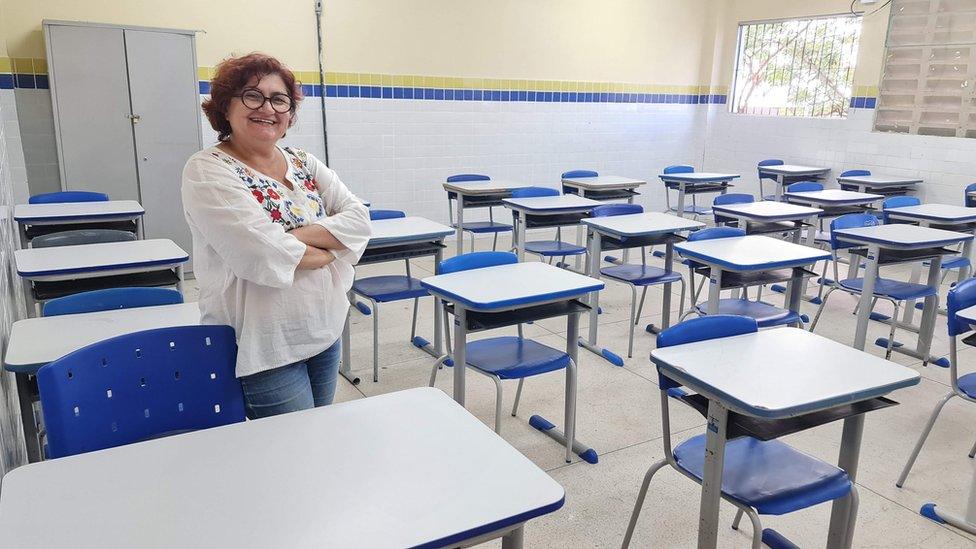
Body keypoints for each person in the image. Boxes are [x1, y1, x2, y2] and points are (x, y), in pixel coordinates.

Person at [182, 52, 370, 419]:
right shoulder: (206, 169)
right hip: (264, 344)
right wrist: (335, 249)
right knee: (290, 456)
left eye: (279, 99)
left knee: (317, 437)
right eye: (252, 95)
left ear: (289, 114)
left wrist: (289, 237)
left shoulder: (302, 160)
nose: (267, 107)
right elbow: (261, 254)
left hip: (324, 326)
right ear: (225, 107)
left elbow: (359, 219)